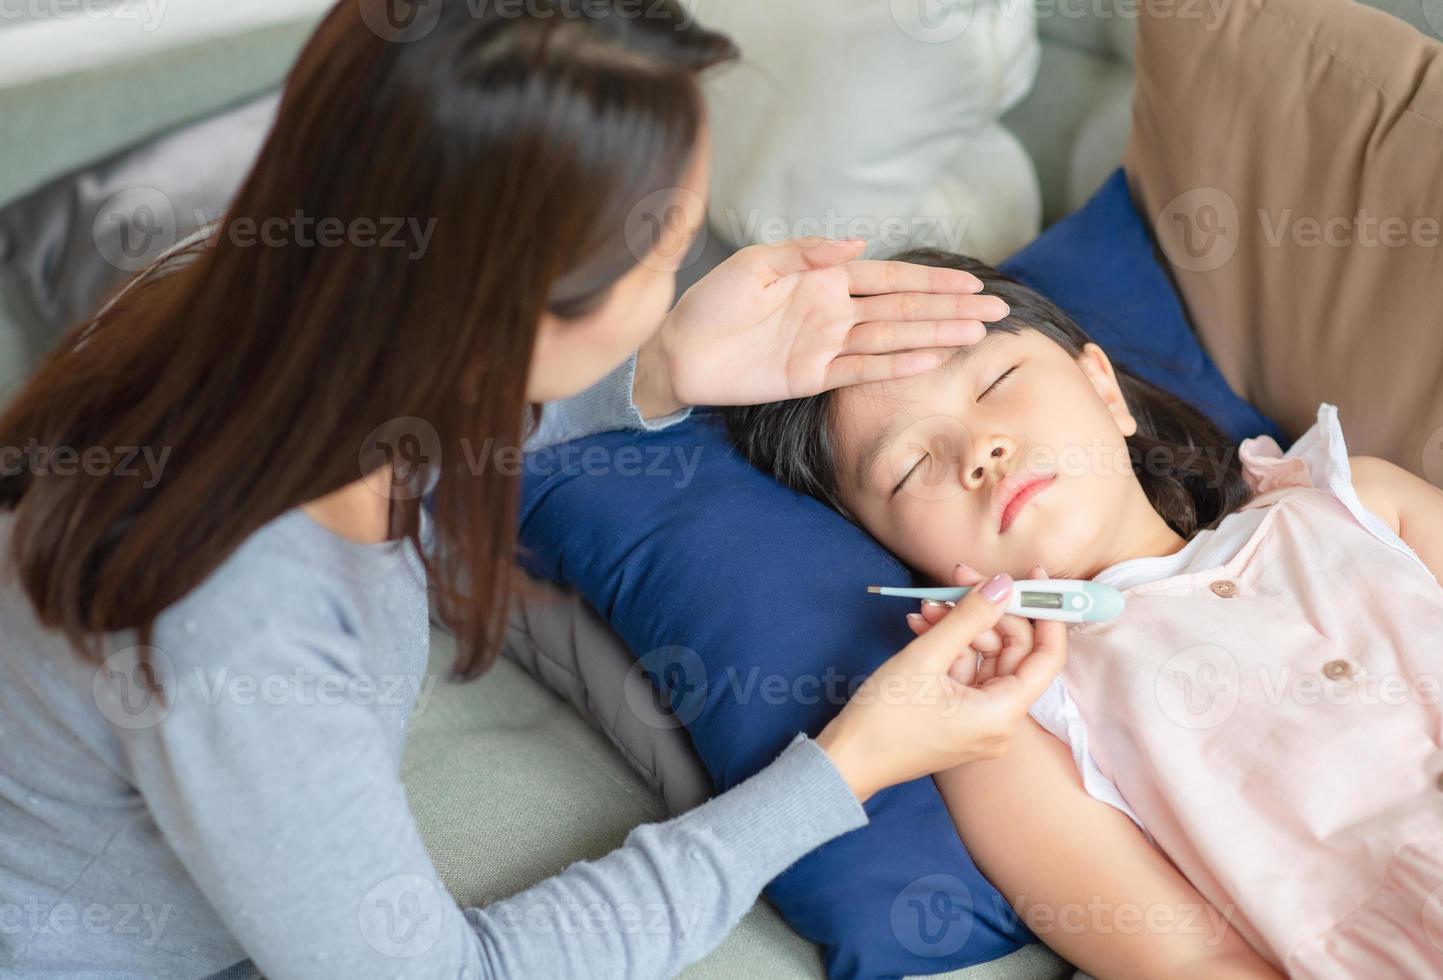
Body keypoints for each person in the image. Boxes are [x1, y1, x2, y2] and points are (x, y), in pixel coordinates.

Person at [0, 6, 1068, 978]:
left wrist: (657, 367)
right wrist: (848, 763)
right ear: (515, 309)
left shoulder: (265, 296)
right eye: (664, 245)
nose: (684, 264)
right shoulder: (236, 613)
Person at [725, 248, 1443, 978]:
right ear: (891, 548)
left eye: (997, 381)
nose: (979, 448)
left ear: (1103, 389)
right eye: (911, 466)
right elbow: (1183, 958)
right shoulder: (1008, 720)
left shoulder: (1358, 503)